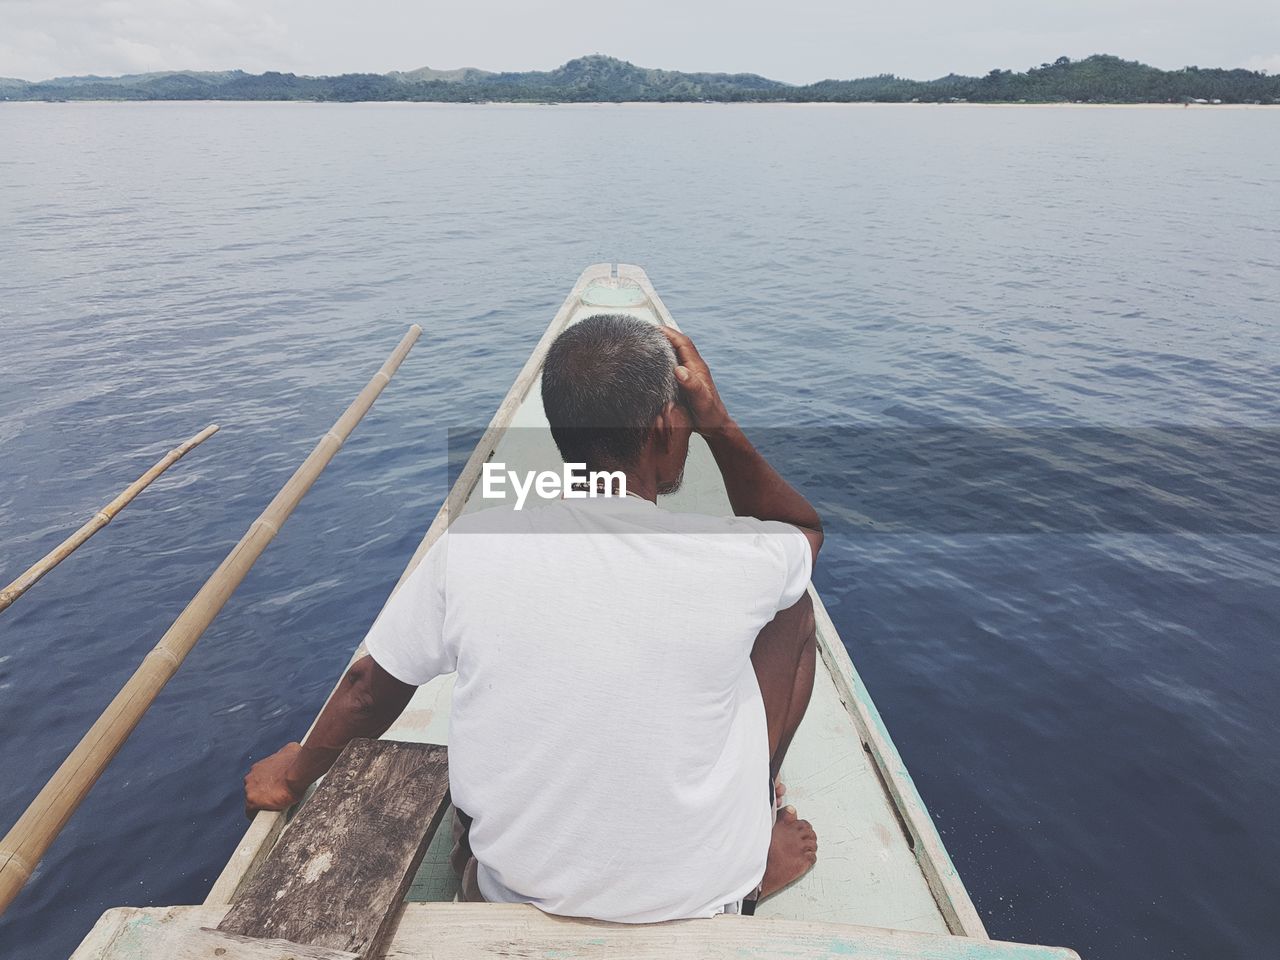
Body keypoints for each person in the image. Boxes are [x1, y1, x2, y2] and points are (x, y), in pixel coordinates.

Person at [244, 314, 822, 922]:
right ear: (665, 424)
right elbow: (802, 529)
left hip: (514, 898)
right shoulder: (736, 556)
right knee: (793, 607)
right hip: (706, 900)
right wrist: (720, 424)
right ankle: (755, 828)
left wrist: (295, 772)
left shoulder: (471, 545)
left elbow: (365, 693)